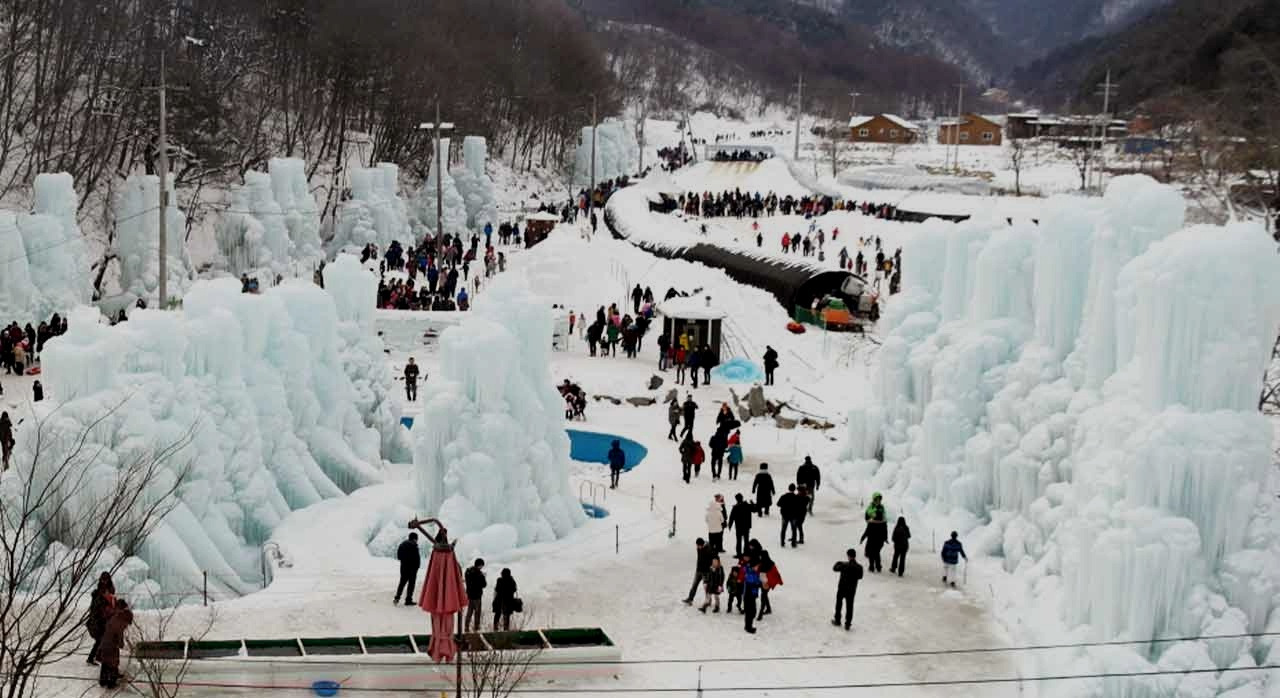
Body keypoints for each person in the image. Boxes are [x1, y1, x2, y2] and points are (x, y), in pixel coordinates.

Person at [98, 598, 132, 688]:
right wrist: (121, 644)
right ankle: (111, 683)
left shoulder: (116, 617)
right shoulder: (120, 622)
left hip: (105, 642)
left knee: (105, 662)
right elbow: (119, 635)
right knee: (113, 662)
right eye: (128, 623)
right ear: (126, 620)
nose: (127, 626)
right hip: (111, 645)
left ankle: (103, 681)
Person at [85, 572, 115, 664]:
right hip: (99, 619)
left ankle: (95, 657)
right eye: (103, 579)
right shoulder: (99, 592)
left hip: (105, 618)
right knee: (101, 639)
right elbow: (95, 607)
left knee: (102, 639)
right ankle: (95, 657)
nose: (104, 581)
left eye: (106, 579)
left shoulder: (108, 590)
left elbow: (111, 603)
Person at [832, 549, 863, 630]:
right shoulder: (859, 567)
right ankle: (848, 624)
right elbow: (860, 576)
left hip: (842, 588)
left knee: (839, 604)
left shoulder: (844, 565)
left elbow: (834, 568)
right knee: (849, 606)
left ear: (848, 556)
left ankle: (837, 620)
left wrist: (838, 562)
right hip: (851, 590)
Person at [683, 538, 715, 605]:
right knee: (694, 585)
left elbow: (713, 559)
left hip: (706, 572)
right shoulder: (698, 548)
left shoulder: (709, 550)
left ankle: (708, 601)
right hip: (699, 570)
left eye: (698, 545)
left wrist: (711, 568)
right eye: (696, 545)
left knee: (706, 588)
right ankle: (690, 599)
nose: (697, 547)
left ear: (702, 544)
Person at [394, 532, 422, 606]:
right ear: (414, 538)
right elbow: (416, 558)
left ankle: (397, 598)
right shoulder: (414, 546)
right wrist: (417, 566)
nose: (417, 540)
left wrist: (404, 561)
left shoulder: (402, 544)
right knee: (411, 584)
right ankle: (408, 600)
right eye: (416, 539)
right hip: (412, 569)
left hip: (403, 567)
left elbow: (399, 556)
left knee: (402, 583)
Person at [464, 559, 487, 632]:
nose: (482, 567)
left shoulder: (468, 571)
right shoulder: (479, 574)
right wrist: (483, 576)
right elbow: (484, 585)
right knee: (477, 613)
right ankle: (476, 628)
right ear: (479, 565)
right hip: (477, 596)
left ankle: (466, 627)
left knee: (469, 612)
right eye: (482, 566)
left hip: (469, 595)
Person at [741, 561, 761, 633]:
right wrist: (759, 584)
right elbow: (752, 583)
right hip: (748, 596)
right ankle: (748, 627)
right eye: (757, 566)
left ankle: (748, 625)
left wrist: (760, 583)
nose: (757, 568)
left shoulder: (755, 573)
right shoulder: (749, 573)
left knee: (753, 612)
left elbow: (757, 581)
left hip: (752, 596)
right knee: (750, 612)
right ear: (753, 566)